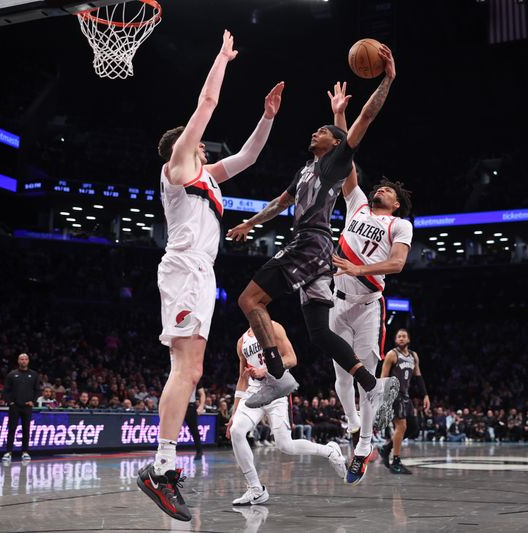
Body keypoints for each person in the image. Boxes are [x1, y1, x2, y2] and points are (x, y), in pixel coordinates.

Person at [136, 30, 284, 523]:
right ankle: (160, 468)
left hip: (199, 273)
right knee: (185, 369)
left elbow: (248, 158)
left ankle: (163, 466)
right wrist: (221, 59)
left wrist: (266, 118)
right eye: (195, 142)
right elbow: (207, 102)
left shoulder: (207, 177)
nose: (201, 145)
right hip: (183, 268)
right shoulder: (178, 169)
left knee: (192, 370)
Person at [228, 46, 398, 415]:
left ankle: (277, 376)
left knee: (249, 300)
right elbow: (279, 202)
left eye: (323, 131)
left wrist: (386, 79)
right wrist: (249, 222)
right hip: (317, 254)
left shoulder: (335, 164)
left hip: (311, 242)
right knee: (319, 333)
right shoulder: (306, 168)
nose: (315, 131)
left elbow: (364, 119)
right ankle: (374, 386)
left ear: (336, 144)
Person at [316, 80, 412, 483]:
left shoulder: (400, 223)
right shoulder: (356, 202)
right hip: (338, 297)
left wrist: (358, 269)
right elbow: (347, 156)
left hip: (370, 303)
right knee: (341, 375)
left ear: (397, 204)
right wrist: (340, 114)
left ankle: (365, 442)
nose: (381, 189)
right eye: (381, 187)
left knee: (368, 377)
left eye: (389, 191)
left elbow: (397, 265)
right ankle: (355, 427)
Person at [227, 322, 346, 506]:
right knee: (236, 431)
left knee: (285, 445)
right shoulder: (241, 341)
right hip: (254, 393)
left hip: (277, 391)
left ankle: (330, 452)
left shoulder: (273, 327)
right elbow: (242, 379)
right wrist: (234, 412)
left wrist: (264, 370)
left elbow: (291, 358)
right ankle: (256, 489)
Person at [379, 329, 430, 475]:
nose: (401, 338)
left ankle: (386, 448)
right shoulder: (391, 354)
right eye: (399, 336)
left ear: (408, 340)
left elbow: (418, 377)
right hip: (394, 394)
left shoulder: (414, 356)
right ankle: (396, 461)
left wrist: (425, 395)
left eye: (404, 336)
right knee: (401, 426)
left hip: (406, 396)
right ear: (396, 340)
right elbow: (383, 377)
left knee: (413, 428)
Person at [2, 353, 41, 463]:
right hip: (15, 406)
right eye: (21, 359)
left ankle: (25, 452)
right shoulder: (12, 374)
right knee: (12, 429)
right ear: (18, 361)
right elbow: (6, 390)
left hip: (27, 407)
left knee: (26, 429)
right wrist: (10, 402)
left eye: (25, 359)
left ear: (28, 361)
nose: (23, 361)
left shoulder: (34, 375)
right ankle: (8, 452)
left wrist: (33, 401)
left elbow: (37, 390)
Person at [185, 384, 206, 460]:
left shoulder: (195, 377)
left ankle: (199, 451)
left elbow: (202, 393)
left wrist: (201, 406)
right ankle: (170, 451)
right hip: (179, 405)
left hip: (190, 406)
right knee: (174, 430)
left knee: (194, 430)